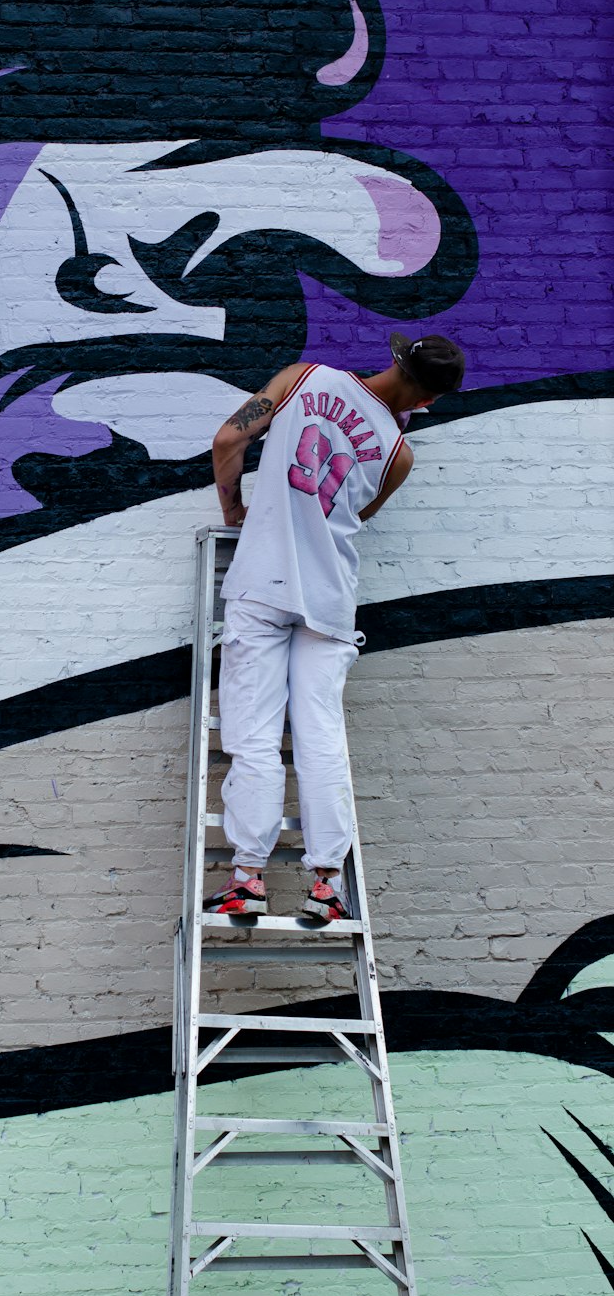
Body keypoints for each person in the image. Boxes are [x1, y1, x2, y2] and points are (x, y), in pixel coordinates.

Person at [207, 332, 466, 921]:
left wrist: (233, 512)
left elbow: (228, 439)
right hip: (330, 600)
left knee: (253, 740)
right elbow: (356, 513)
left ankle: (248, 879)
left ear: (396, 360)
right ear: (427, 401)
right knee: (320, 739)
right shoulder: (399, 454)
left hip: (263, 585)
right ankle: (326, 884)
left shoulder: (305, 376)